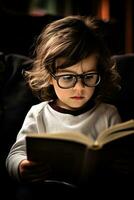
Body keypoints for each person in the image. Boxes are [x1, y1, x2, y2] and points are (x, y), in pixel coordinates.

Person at [6, 15, 121, 198]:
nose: (80, 88)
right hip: (47, 190)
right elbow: (16, 153)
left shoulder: (108, 114)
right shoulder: (39, 114)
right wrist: (21, 167)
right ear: (50, 77)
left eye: (89, 76)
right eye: (67, 77)